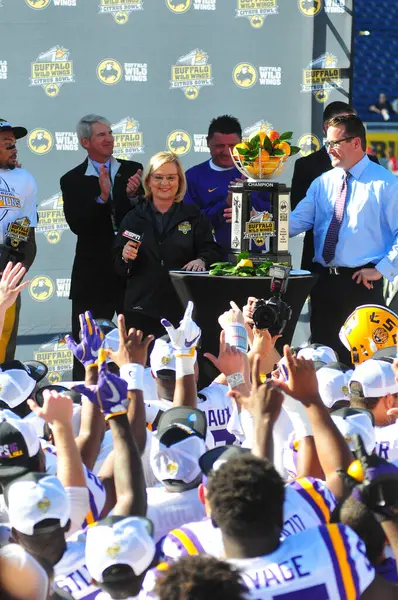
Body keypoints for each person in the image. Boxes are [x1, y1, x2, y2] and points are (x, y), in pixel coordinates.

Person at [289, 114, 398, 363]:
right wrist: (259, 217)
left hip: (362, 286)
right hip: (324, 285)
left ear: (356, 143)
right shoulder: (322, 183)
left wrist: (381, 269)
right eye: (326, 143)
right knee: (323, 362)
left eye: (334, 143)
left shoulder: (386, 183)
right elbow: (293, 225)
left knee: (365, 364)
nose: (328, 150)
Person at [61, 114, 143, 380]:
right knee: (89, 346)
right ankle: (85, 405)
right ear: (85, 142)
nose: (109, 139)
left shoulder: (134, 170)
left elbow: (146, 216)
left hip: (133, 272)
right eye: (101, 135)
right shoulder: (71, 179)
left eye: (109, 133)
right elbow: (77, 225)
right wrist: (102, 197)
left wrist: (133, 197)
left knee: (135, 341)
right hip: (92, 275)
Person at [114, 151, 221, 338]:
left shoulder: (194, 215)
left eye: (171, 177)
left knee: (183, 367)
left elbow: (212, 249)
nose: (165, 183)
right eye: (158, 177)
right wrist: (124, 255)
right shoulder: (134, 218)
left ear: (180, 181)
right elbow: (117, 266)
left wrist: (202, 259)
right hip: (141, 310)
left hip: (183, 308)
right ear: (148, 181)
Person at [290, 101, 378, 271]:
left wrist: (382, 269)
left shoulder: (382, 179)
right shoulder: (320, 180)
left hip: (363, 275)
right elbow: (297, 220)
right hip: (320, 273)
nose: (350, 125)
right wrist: (255, 221)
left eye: (353, 120)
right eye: (343, 120)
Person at [184, 115, 270, 256]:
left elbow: (274, 218)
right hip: (207, 262)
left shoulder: (256, 174)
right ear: (207, 142)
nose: (226, 152)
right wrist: (226, 204)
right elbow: (189, 224)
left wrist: (250, 210)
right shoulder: (192, 177)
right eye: (219, 146)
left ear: (241, 143)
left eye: (232, 146)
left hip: (253, 260)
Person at [0, 119, 38, 362]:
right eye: (6, 144)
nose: (14, 148)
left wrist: (10, 270)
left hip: (5, 273)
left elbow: (25, 231)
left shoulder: (25, 179)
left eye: (14, 143)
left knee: (4, 342)